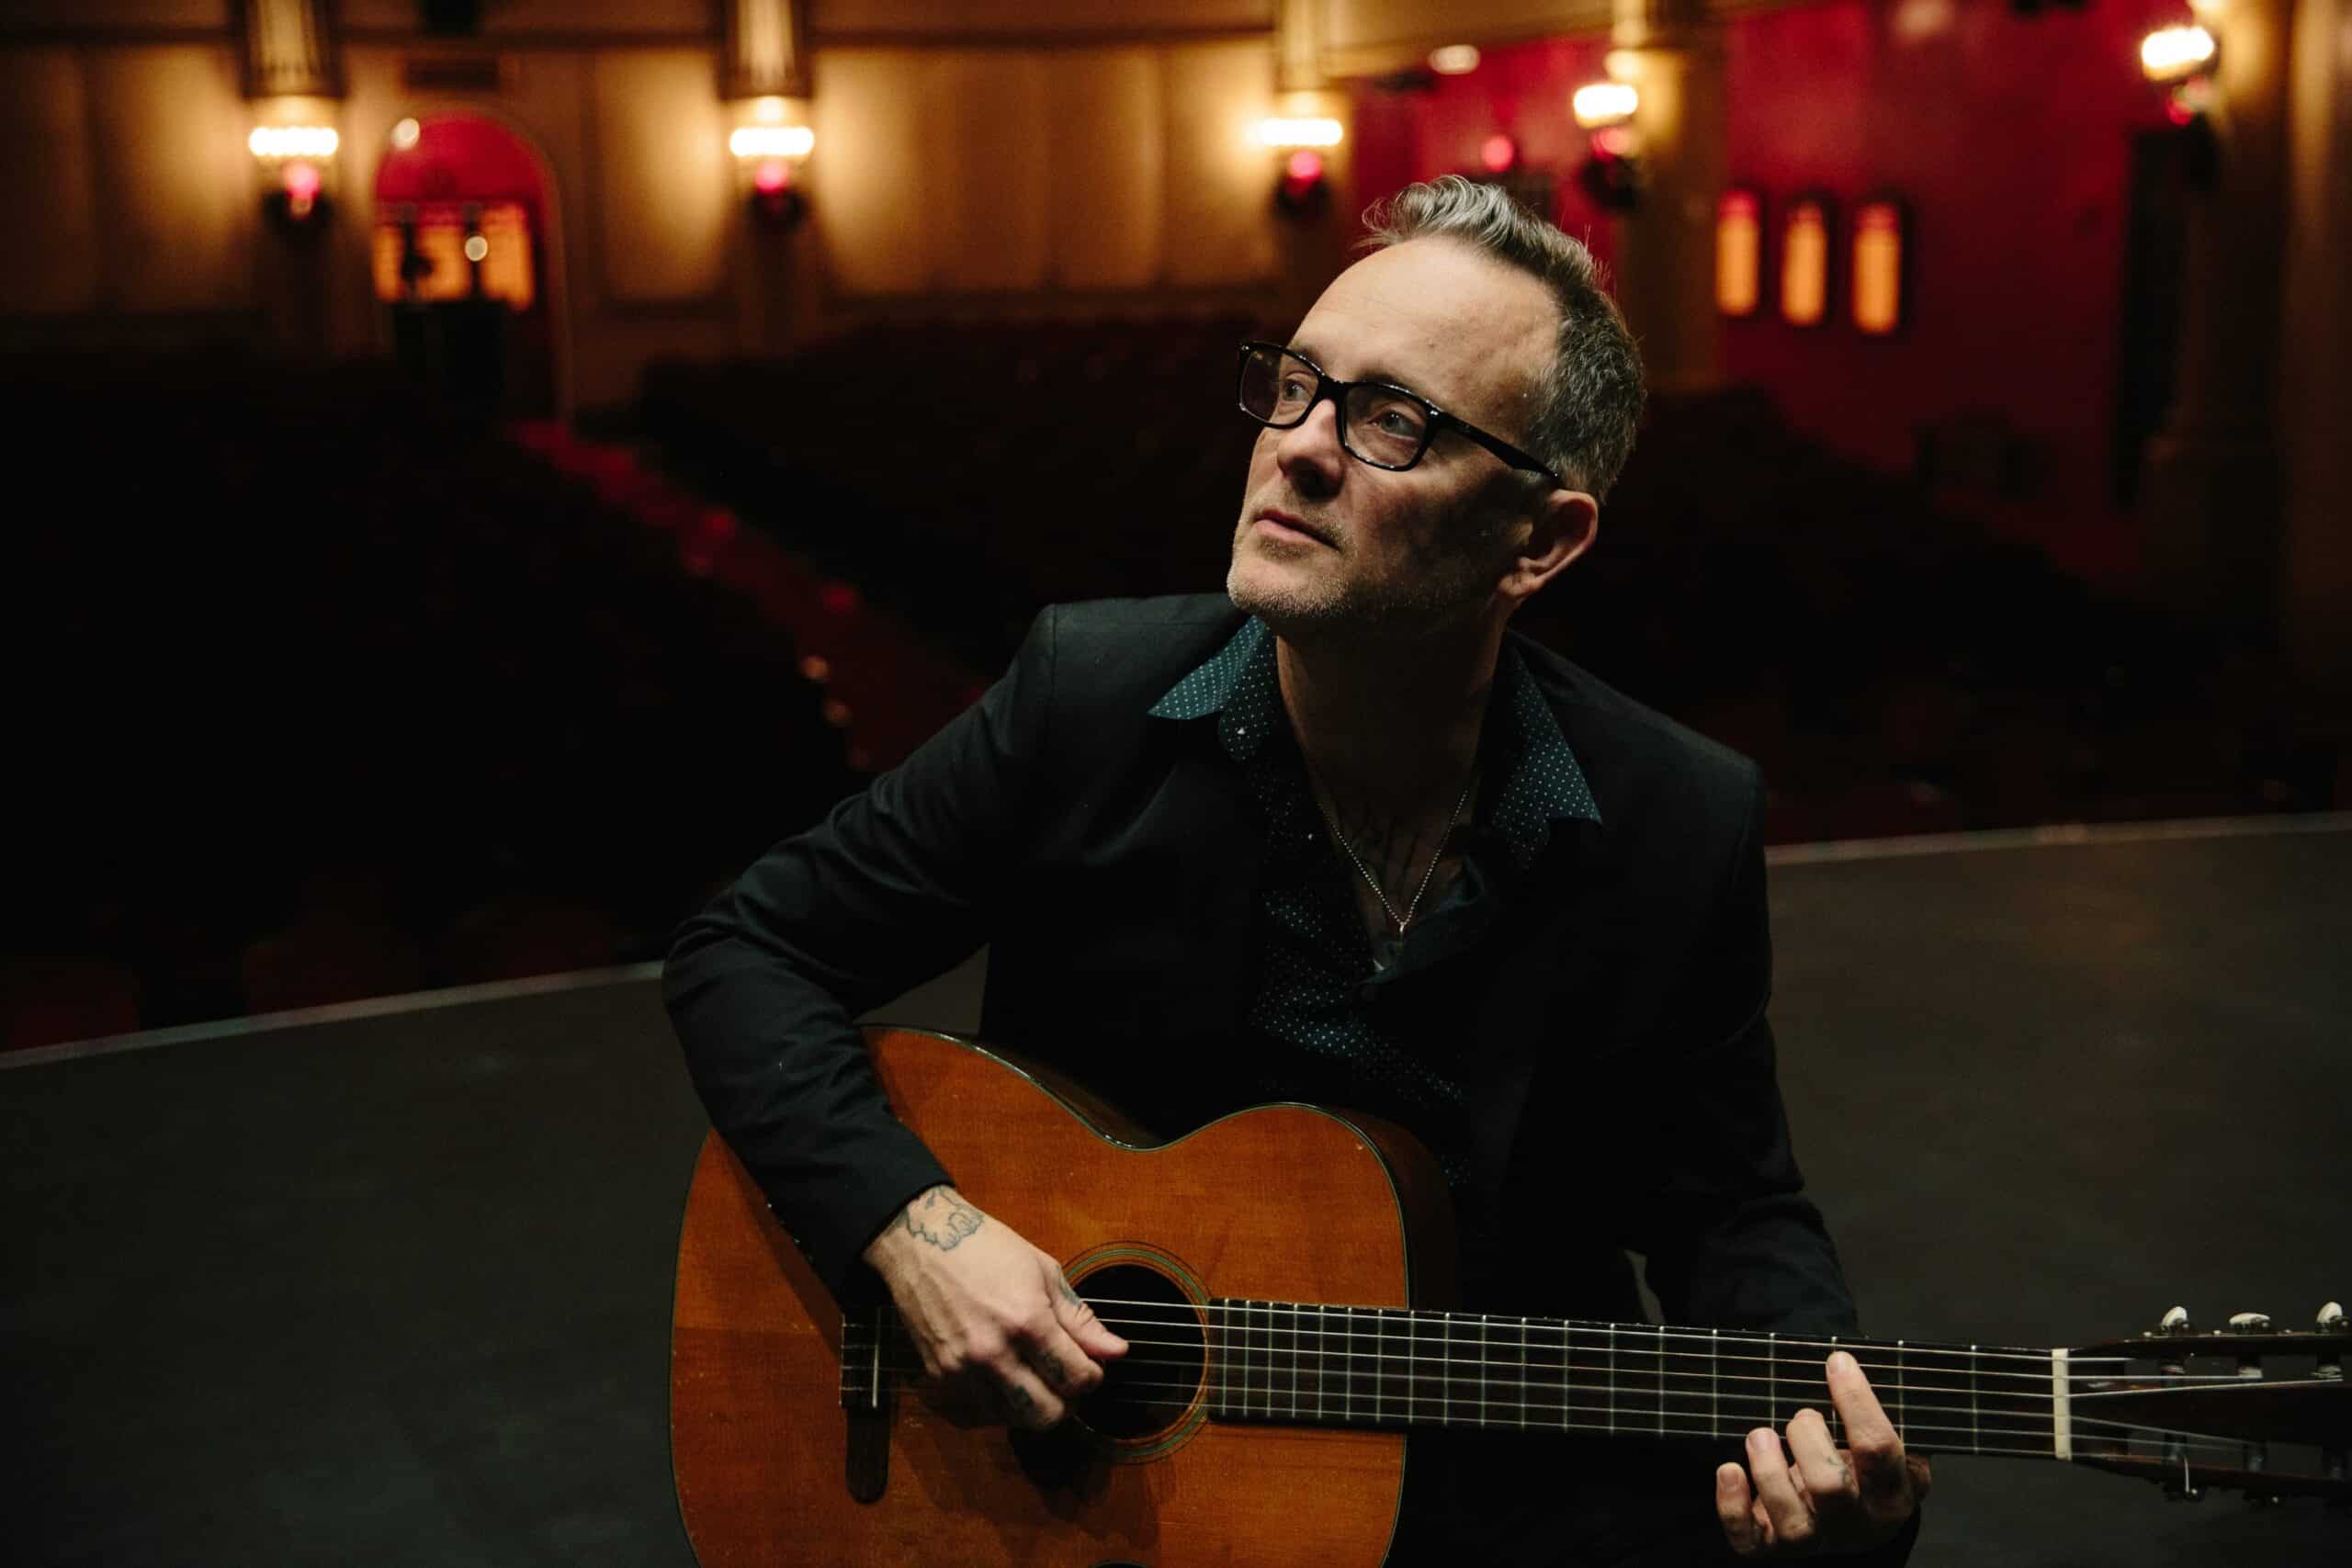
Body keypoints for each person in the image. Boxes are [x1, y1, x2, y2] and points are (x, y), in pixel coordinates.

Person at [664, 175, 1928, 1564]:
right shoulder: (1084, 697)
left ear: (1542, 540)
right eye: (1297, 385)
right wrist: (913, 1228)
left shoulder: (1672, 816)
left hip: (1498, 1483)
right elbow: (747, 949)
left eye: (1393, 420)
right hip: (1106, 1485)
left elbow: (1730, 1203)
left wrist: (1820, 1420)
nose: (1302, 450)